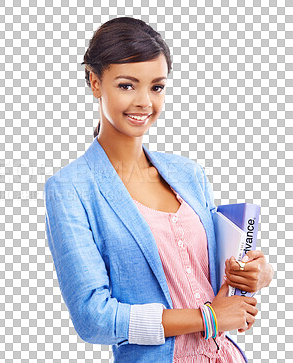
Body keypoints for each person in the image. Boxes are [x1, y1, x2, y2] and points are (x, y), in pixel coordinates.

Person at [44, 17, 274, 363]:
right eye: (126, 85)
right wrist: (207, 318)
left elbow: (210, 276)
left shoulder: (188, 174)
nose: (144, 102)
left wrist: (253, 275)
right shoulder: (71, 189)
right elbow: (93, 317)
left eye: (156, 87)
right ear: (95, 82)